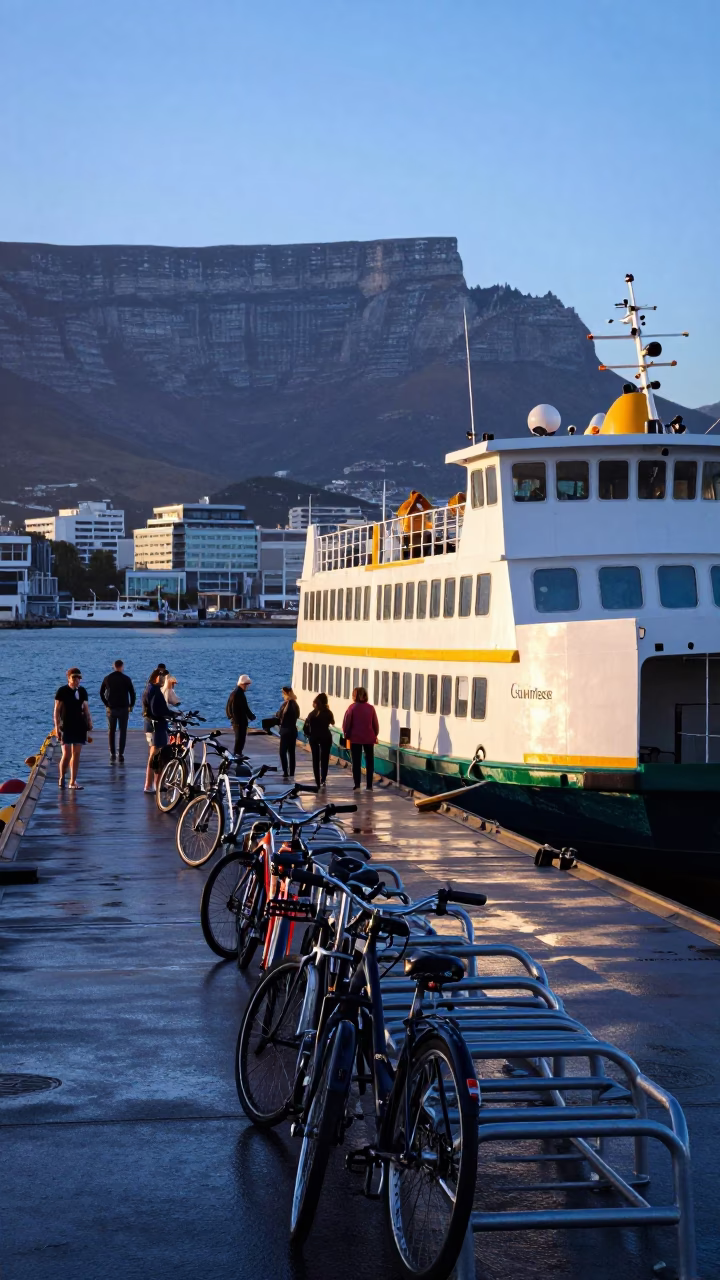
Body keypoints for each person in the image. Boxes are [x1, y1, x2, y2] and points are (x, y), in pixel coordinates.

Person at [54, 667, 93, 790]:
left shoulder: (82, 691)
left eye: (78, 678)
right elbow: (57, 710)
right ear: (69, 678)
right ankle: (61, 776)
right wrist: (57, 726)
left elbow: (86, 708)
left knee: (76, 754)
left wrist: (89, 721)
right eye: (74, 678)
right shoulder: (62, 691)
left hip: (79, 725)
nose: (77, 681)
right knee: (67, 754)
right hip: (66, 726)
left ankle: (73, 781)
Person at [342, 686, 379, 791]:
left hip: (355, 738)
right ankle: (369, 786)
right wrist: (374, 734)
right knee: (369, 762)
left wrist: (346, 734)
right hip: (369, 738)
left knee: (356, 762)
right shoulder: (371, 708)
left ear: (355, 696)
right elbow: (375, 725)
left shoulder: (352, 708)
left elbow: (346, 723)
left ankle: (357, 785)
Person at [99, 659, 136, 762]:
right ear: (122, 666)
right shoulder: (126, 679)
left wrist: (106, 704)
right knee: (123, 731)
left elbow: (101, 693)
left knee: (111, 731)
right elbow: (132, 693)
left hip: (111, 708)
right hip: (124, 708)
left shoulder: (107, 678)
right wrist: (131, 705)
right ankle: (121, 754)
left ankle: (112, 753)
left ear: (114, 666)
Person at [143, 667, 170, 794]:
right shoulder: (155, 691)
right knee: (157, 755)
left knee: (153, 754)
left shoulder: (149, 689)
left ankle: (151, 784)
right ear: (157, 677)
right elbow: (156, 710)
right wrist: (169, 714)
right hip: (156, 726)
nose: (164, 680)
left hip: (150, 725)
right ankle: (154, 785)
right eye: (163, 677)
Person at [304, 692, 335, 788]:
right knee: (325, 759)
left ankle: (317, 781)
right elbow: (332, 722)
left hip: (314, 737)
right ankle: (323, 779)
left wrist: (309, 735)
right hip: (326, 736)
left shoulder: (312, 714)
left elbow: (305, 728)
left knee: (315, 759)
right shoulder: (328, 712)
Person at [226, 674, 255, 767]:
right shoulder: (236, 694)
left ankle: (238, 754)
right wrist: (234, 719)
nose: (247, 687)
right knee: (239, 739)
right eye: (246, 685)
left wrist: (251, 716)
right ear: (242, 684)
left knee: (241, 738)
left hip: (241, 721)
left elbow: (245, 708)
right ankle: (236, 755)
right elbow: (232, 708)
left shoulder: (239, 693)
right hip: (238, 722)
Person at [276, 685, 300, 780]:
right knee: (291, 752)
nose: (283, 695)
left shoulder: (286, 704)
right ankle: (292, 772)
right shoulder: (295, 704)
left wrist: (278, 715)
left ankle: (286, 771)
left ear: (286, 694)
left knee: (282, 752)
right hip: (293, 730)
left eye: (283, 694)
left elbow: (281, 715)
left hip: (286, 730)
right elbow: (297, 715)